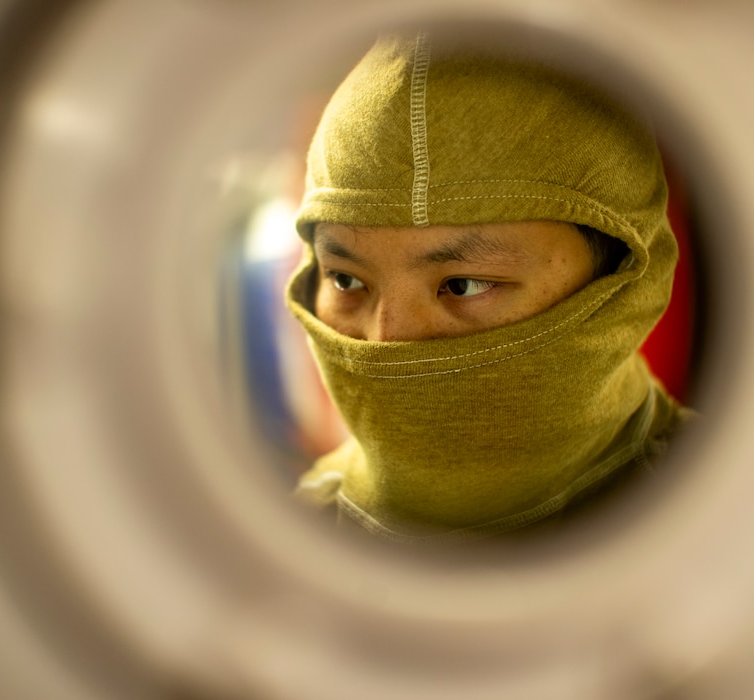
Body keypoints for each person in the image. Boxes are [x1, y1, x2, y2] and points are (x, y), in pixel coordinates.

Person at [284, 30, 689, 545]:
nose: (387, 341)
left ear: (625, 278)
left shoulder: (751, 522)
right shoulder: (285, 547)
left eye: (465, 284)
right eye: (346, 280)